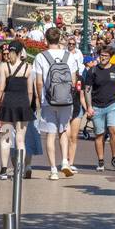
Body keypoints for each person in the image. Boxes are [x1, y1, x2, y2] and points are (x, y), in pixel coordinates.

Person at [32, 27, 82, 180]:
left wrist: (40, 99)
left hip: (48, 100)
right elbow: (74, 80)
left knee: (50, 134)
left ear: (46, 40)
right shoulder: (69, 56)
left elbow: (39, 82)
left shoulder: (41, 57)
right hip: (66, 100)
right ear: (60, 38)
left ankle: (53, 169)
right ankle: (65, 162)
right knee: (64, 131)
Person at [0, 40, 36, 180]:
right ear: (20, 52)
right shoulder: (28, 67)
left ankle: (4, 170)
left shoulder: (4, 66)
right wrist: (27, 105)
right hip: (23, 103)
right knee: (20, 139)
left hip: (8, 104)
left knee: (5, 138)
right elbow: (30, 92)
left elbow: (0, 88)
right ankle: (20, 168)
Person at [82, 45, 115, 172]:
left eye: (106, 56)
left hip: (113, 104)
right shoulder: (93, 71)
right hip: (97, 106)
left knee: (114, 130)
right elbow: (87, 89)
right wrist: (89, 107)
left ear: (110, 57)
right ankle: (101, 161)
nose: (103, 58)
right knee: (99, 134)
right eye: (101, 55)